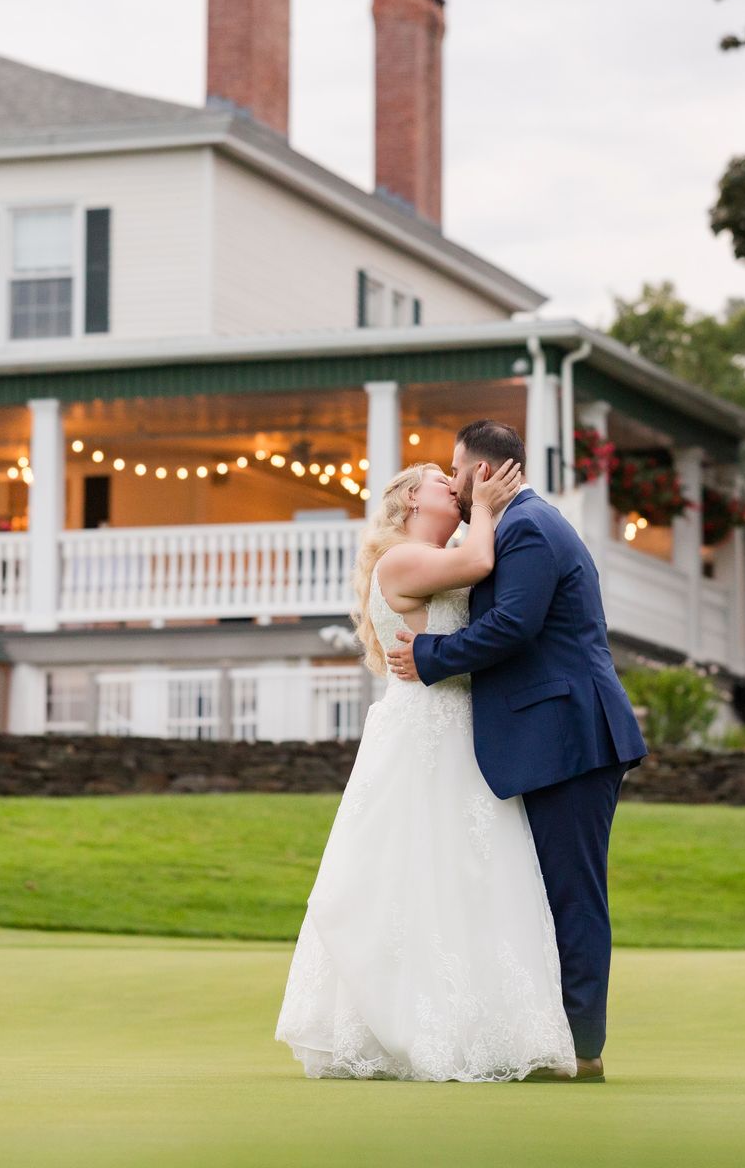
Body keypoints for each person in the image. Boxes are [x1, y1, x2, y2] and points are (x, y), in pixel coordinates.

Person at [274, 455, 580, 1082]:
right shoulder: (403, 559)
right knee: (415, 871)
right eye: (446, 482)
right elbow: (479, 565)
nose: (459, 487)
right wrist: (493, 505)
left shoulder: (444, 551)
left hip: (464, 730)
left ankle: (479, 1023)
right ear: (412, 502)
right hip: (424, 732)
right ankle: (405, 1024)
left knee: (469, 874)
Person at [385, 419, 648, 1083]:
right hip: (550, 736)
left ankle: (582, 1050)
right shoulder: (513, 526)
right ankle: (550, 1036)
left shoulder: (528, 525)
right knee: (546, 893)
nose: (451, 478)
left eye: (456, 467)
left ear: (482, 471)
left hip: (570, 735)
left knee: (573, 894)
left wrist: (429, 653)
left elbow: (515, 625)